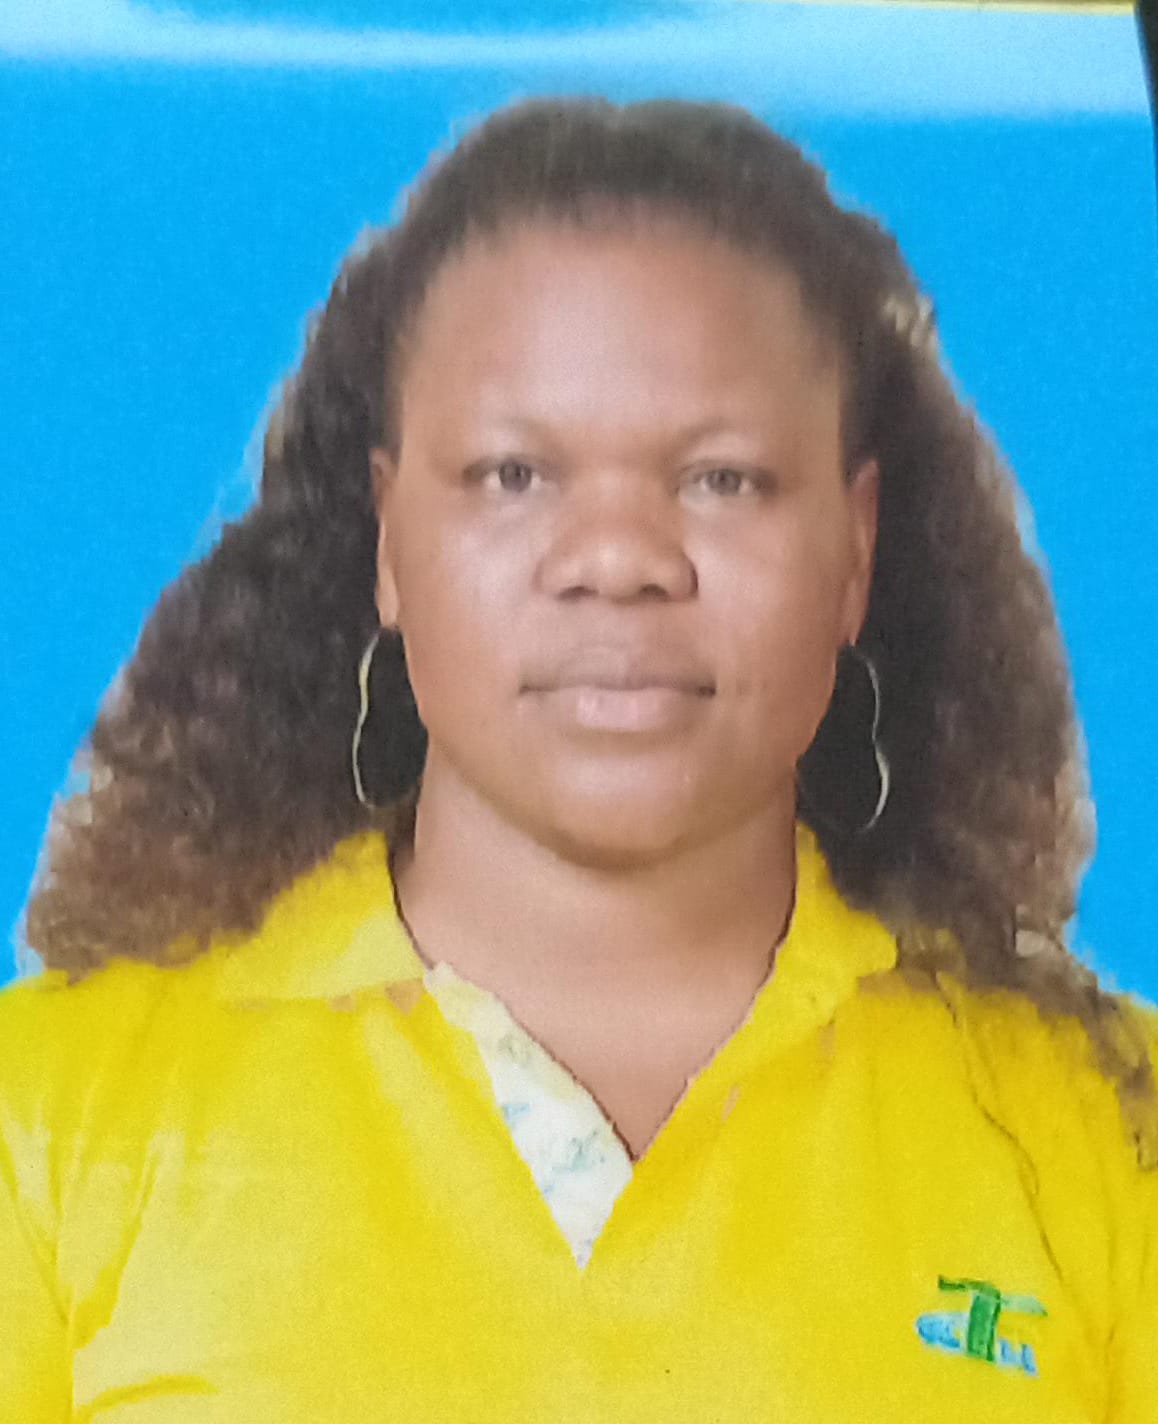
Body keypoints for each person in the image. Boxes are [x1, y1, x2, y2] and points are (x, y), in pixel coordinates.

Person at [2, 95, 1155, 1421]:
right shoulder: (48, 1120)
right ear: (387, 538)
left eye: (722, 479)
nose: (617, 559)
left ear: (854, 545)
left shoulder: (1106, 1137)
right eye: (512, 475)